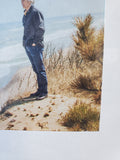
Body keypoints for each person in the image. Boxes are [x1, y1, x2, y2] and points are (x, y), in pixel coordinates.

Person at [21, 0, 48, 100]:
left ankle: (44, 92)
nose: (22, 2)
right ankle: (40, 91)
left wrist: (35, 42)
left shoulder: (35, 12)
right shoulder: (26, 14)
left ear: (30, 1)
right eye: (22, 0)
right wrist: (25, 43)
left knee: (40, 69)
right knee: (36, 68)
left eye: (24, 0)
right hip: (28, 45)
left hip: (35, 45)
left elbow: (41, 29)